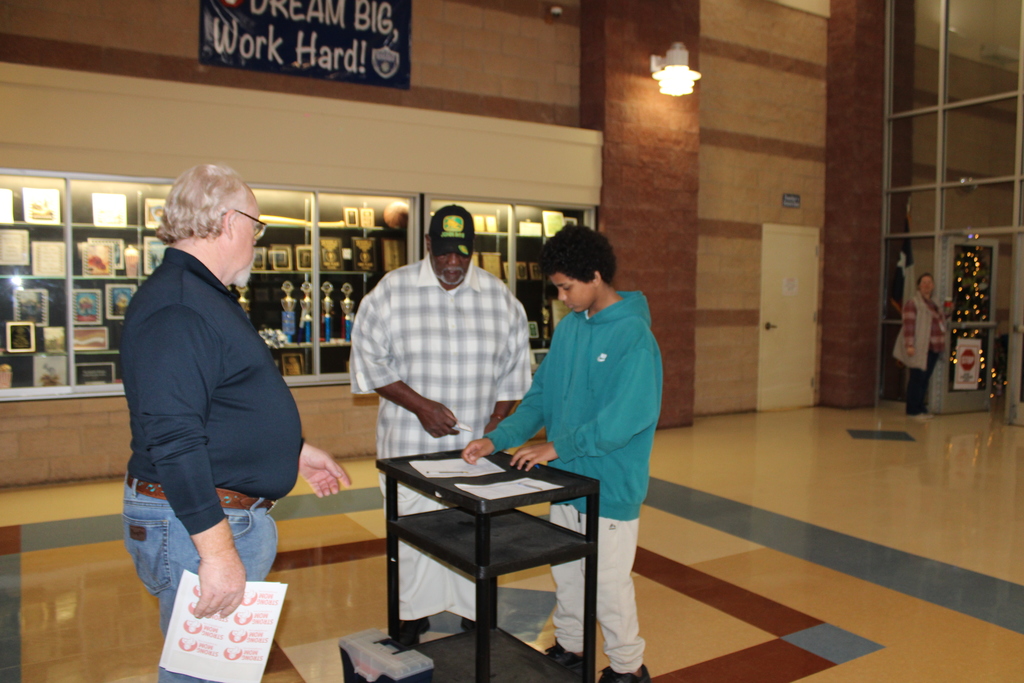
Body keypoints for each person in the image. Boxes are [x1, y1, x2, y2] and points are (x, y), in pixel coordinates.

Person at [120, 164, 350, 683]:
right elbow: (174, 437)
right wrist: (218, 552)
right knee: (201, 676)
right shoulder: (180, 306)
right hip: (199, 523)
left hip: (209, 514)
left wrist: (291, 449)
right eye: (256, 227)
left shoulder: (201, 294)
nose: (256, 241)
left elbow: (218, 402)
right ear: (229, 222)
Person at [462, 225, 662, 683]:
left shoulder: (634, 337)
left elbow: (623, 421)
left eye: (567, 287)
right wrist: (498, 438)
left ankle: (629, 667)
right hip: (565, 481)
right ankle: (572, 644)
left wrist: (557, 446)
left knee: (607, 584)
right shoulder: (571, 328)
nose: (562, 298)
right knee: (568, 571)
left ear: (595, 276)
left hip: (610, 486)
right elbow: (540, 397)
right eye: (557, 288)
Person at [349, 204, 531, 645]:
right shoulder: (391, 292)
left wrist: (495, 426)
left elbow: (514, 373)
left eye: (462, 253)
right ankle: (412, 615)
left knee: (472, 532)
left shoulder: (500, 299)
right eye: (444, 252)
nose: (453, 263)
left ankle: (473, 611)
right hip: (408, 446)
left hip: (474, 453)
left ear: (473, 249)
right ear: (428, 244)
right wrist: (420, 406)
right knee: (414, 533)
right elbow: (368, 362)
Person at [893, 272, 946, 420]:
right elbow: (909, 325)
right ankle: (913, 410)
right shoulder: (913, 303)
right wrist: (909, 345)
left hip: (933, 348)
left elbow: (939, 322)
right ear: (918, 286)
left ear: (933, 286)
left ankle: (921, 407)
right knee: (917, 378)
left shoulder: (935, 304)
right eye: (924, 282)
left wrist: (948, 312)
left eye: (929, 282)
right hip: (920, 347)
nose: (927, 285)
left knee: (924, 379)